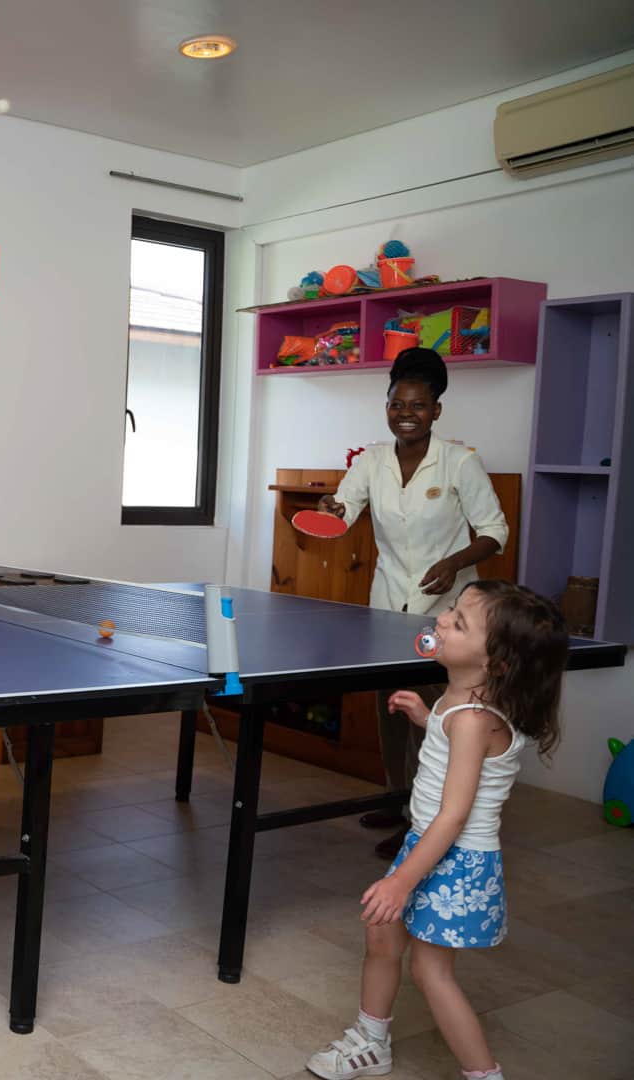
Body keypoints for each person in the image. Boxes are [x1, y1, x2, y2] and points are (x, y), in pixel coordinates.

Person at [304, 580, 568, 1080]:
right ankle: (370, 1040)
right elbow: (462, 755)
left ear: (497, 664)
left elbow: (455, 813)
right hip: (430, 844)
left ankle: (483, 1074)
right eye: (451, 611)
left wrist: (400, 880)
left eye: (459, 622)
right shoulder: (462, 705)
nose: (441, 621)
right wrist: (428, 718)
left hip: (455, 855)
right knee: (382, 936)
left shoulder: (473, 719)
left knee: (429, 971)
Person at [320, 348, 509, 857]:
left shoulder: (460, 462)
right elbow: (344, 511)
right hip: (386, 603)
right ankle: (396, 795)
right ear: (387, 406)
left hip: (444, 612)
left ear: (436, 410)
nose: (406, 413)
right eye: (397, 404)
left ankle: (421, 817)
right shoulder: (370, 461)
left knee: (434, 709)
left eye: (418, 405)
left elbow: (495, 532)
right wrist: (332, 508)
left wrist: (452, 563)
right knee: (393, 706)